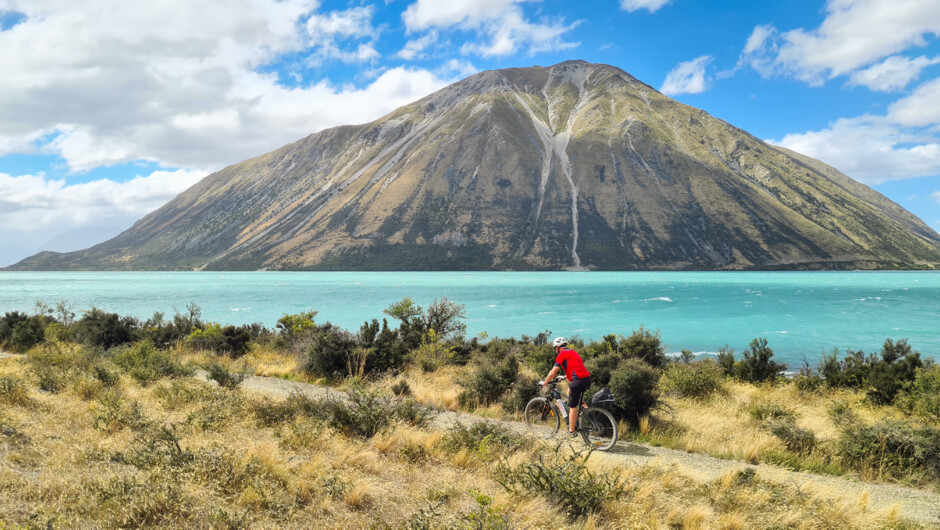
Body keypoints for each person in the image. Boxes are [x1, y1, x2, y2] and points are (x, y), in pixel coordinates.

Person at [541, 337, 591, 437]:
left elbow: (553, 371)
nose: (555, 350)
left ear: (558, 347)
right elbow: (575, 367)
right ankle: (585, 410)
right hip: (587, 379)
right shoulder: (573, 352)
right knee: (570, 390)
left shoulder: (562, 354)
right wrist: (564, 377)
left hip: (578, 381)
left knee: (572, 406)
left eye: (555, 348)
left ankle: (571, 431)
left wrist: (545, 382)